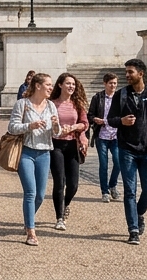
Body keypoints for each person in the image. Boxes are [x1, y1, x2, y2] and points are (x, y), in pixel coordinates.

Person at [108, 58, 147, 246]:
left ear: (141, 74)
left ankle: (139, 213)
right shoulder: (121, 95)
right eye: (126, 72)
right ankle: (133, 229)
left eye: (130, 72)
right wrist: (121, 121)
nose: (127, 75)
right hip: (127, 150)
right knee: (130, 191)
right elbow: (110, 119)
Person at [10, 72, 60, 246]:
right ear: (38, 86)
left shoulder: (51, 106)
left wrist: (55, 126)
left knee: (40, 195)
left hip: (45, 153)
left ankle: (28, 218)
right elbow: (12, 127)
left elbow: (57, 132)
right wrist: (29, 126)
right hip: (26, 152)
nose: (51, 88)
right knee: (30, 192)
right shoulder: (22, 104)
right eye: (48, 85)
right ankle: (31, 231)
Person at [49, 73, 90, 231]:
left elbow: (84, 124)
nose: (71, 86)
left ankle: (65, 203)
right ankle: (59, 217)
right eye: (68, 83)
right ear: (60, 85)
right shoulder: (52, 104)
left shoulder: (77, 104)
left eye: (73, 84)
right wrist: (56, 127)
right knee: (60, 181)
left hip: (72, 144)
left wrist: (73, 128)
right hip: (56, 144)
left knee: (73, 184)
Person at [90, 72, 122, 202]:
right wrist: (95, 119)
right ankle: (105, 191)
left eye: (115, 83)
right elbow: (90, 115)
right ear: (105, 83)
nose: (113, 85)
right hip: (102, 135)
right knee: (103, 164)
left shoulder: (120, 97)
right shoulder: (98, 98)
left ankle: (112, 185)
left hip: (116, 135)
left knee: (118, 162)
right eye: (111, 83)